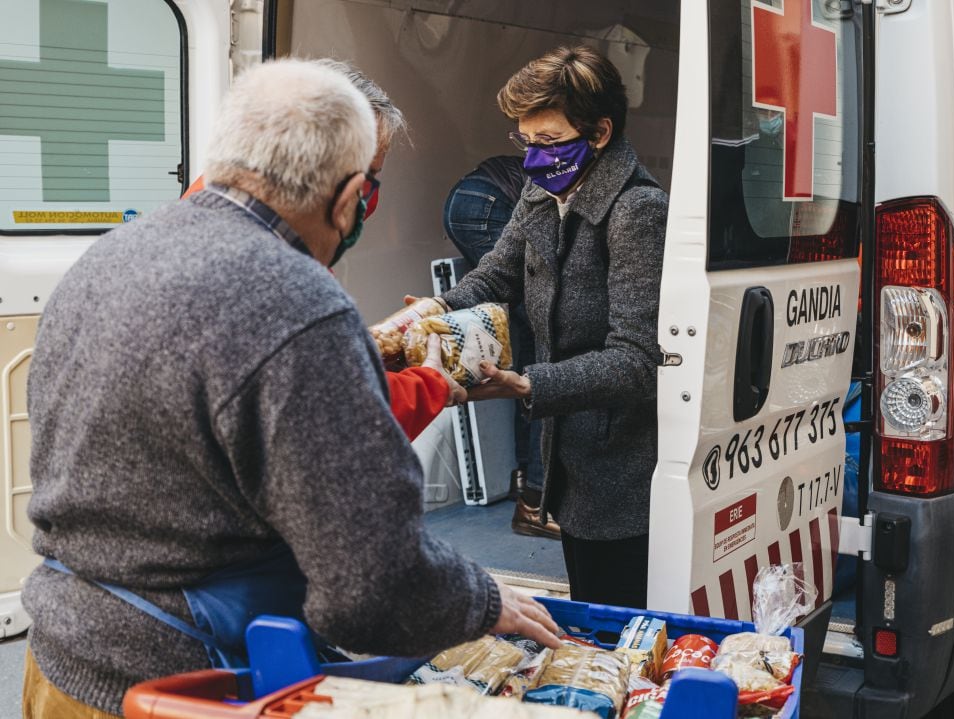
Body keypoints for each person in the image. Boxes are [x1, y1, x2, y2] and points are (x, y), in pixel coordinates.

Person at [21, 59, 558, 719]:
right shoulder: (301, 303)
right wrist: (482, 600)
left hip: (60, 662)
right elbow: (369, 589)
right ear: (350, 197)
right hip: (186, 689)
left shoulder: (110, 255)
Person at [435, 46, 668, 608]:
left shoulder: (638, 211)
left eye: (547, 142)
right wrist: (433, 315)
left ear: (600, 133)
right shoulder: (544, 190)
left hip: (622, 468)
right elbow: (494, 276)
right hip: (570, 459)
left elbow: (637, 361)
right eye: (525, 142)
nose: (533, 158)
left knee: (615, 619)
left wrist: (527, 385)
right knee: (588, 599)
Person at [183, 59, 465, 439]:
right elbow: (351, 415)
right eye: (369, 178)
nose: (365, 202)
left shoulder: (201, 212)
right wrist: (432, 382)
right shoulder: (281, 274)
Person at [442, 157, 559, 539]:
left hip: (469, 198)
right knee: (550, 347)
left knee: (531, 347)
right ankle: (536, 503)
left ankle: (523, 476)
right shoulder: (570, 179)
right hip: (486, 203)